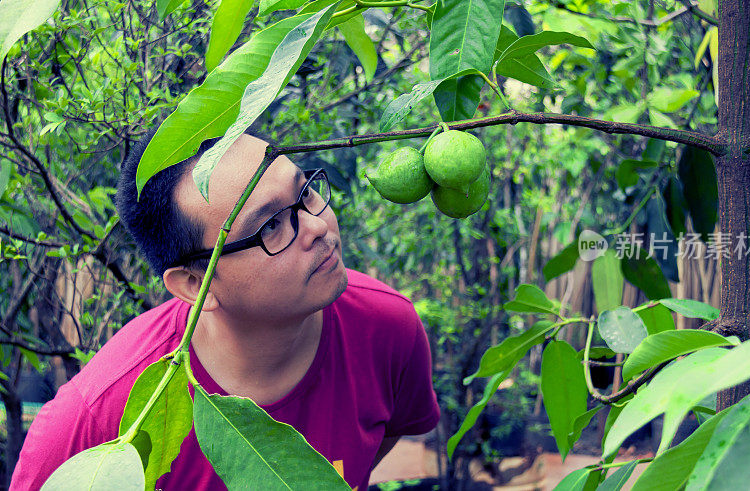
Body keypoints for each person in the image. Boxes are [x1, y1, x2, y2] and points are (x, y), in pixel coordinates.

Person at [10, 128, 440, 490]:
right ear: (196, 285)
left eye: (305, 191)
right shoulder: (94, 420)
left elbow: (381, 441)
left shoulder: (386, 329)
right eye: (270, 225)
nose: (317, 225)